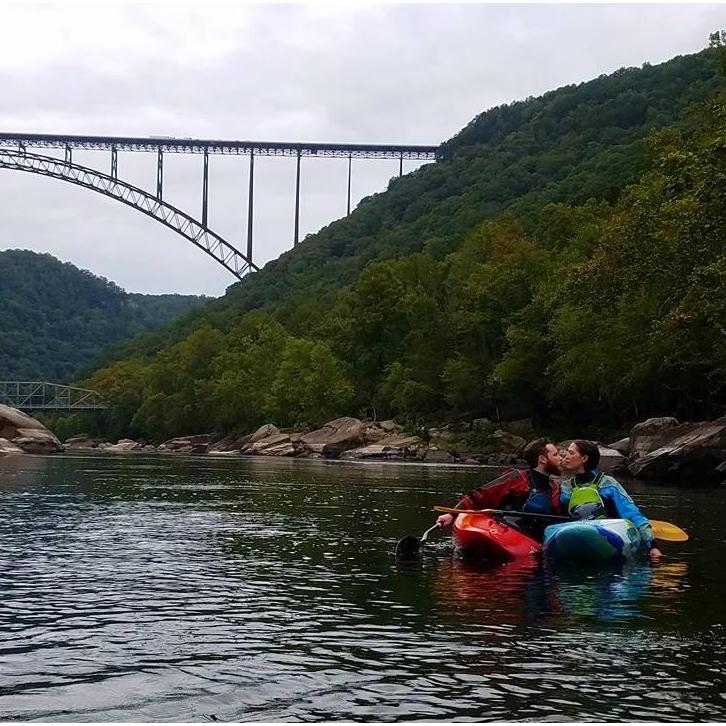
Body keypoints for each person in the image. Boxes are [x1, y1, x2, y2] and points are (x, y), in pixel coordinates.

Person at [435, 437, 563, 540]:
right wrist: (452, 514)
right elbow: (481, 495)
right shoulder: (517, 478)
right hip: (510, 531)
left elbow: (558, 515)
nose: (560, 458)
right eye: (556, 455)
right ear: (542, 459)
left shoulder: (554, 487)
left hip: (535, 539)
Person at [560, 439, 663, 560]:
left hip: (606, 535)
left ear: (584, 458)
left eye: (571, 453)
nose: (566, 456)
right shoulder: (566, 487)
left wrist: (652, 546)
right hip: (574, 534)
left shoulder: (608, 483)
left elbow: (632, 513)